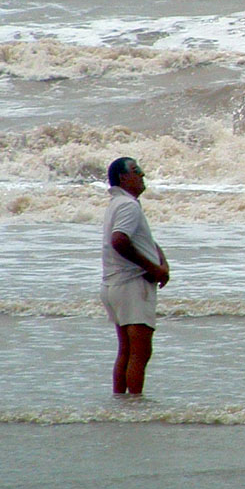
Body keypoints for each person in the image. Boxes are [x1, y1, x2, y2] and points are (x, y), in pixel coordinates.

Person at [100, 157, 170, 395]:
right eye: (136, 170)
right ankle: (134, 407)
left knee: (126, 351)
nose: (142, 174)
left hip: (114, 284)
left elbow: (141, 239)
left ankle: (121, 403)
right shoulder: (128, 205)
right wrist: (153, 268)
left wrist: (161, 259)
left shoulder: (118, 204)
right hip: (132, 284)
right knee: (140, 353)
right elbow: (119, 240)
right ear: (123, 178)